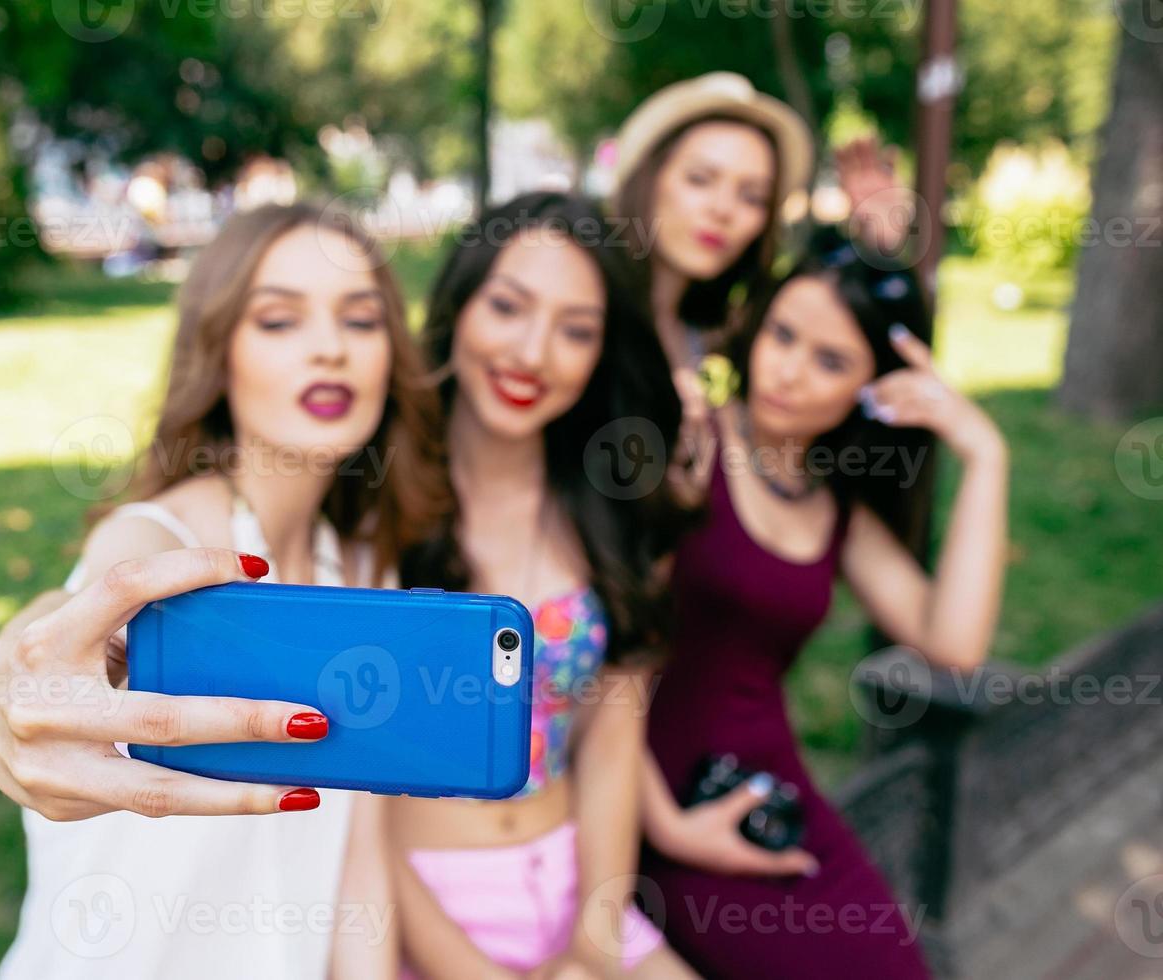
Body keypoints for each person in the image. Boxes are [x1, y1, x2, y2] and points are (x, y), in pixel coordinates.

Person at [0, 202, 453, 977]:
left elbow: (359, 860)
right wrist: (2, 685)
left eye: (360, 321)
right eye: (280, 321)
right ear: (219, 351)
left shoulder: (363, 569)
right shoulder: (167, 543)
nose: (329, 349)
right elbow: (82, 605)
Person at [638, 237, 1009, 979]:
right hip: (653, 802)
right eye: (783, 335)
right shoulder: (686, 447)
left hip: (766, 794)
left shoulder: (833, 507)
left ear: (873, 387)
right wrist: (669, 829)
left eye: (831, 361)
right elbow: (604, 658)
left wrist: (985, 454)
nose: (789, 371)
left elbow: (955, 641)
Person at [388, 192, 695, 979]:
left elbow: (610, 741)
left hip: (579, 890)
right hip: (413, 912)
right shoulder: (372, 509)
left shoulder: (606, 508)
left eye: (576, 330)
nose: (533, 352)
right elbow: (342, 805)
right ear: (458, 305)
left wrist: (592, 946)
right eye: (508, 307)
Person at [610, 71, 909, 505]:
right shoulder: (587, 308)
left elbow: (840, 334)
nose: (722, 209)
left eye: (752, 197)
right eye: (700, 179)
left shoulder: (705, 332)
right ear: (650, 177)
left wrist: (879, 249)